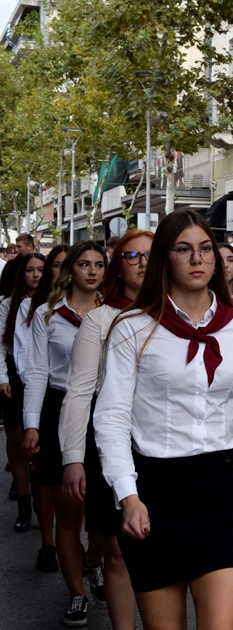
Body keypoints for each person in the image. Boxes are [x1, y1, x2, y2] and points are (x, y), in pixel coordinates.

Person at [93, 209, 233, 630]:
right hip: (155, 493)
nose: (197, 259)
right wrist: (128, 495)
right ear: (165, 258)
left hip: (220, 492)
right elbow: (112, 418)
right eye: (184, 249)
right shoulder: (132, 328)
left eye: (206, 249)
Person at [58, 230, 152, 630]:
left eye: (152, 255)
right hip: (108, 439)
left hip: (159, 442)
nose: (144, 264)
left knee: (154, 547)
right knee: (116, 547)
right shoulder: (99, 319)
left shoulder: (174, 314)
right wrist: (73, 459)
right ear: (120, 265)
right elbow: (79, 392)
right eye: (134, 256)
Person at [22, 240, 107, 627]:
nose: (92, 271)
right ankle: (76, 594)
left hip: (104, 411)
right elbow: (38, 371)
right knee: (68, 508)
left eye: (100, 264)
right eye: (84, 264)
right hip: (60, 408)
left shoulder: (116, 313)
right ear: (70, 269)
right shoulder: (47, 314)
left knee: (106, 509)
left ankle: (95, 560)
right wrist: (32, 423)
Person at [19, 244, 67, 572]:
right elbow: (30, 362)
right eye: (59, 265)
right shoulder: (36, 309)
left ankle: (89, 551)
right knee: (47, 479)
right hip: (45, 395)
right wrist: (31, 419)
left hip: (86, 402)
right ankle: (49, 541)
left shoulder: (104, 307)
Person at [0, 253, 44, 533]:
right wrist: (3, 378)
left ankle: (43, 506)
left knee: (41, 450)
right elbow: (1, 346)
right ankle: (24, 506)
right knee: (18, 447)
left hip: (43, 382)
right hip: (14, 381)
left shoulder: (52, 302)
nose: (36, 275)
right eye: (30, 270)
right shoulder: (7, 305)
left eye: (41, 269)